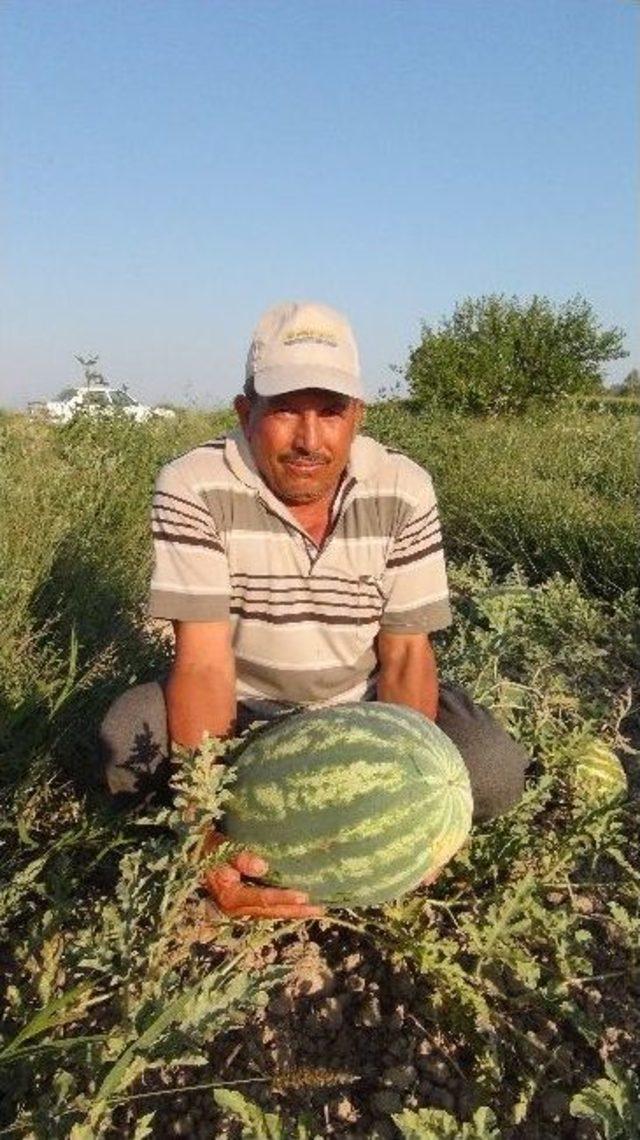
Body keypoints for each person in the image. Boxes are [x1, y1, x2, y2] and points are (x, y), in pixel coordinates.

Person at [100, 301, 529, 919]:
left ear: (357, 415)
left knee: (490, 772)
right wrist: (201, 827)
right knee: (127, 741)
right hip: (242, 704)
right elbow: (203, 664)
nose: (309, 440)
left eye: (330, 412)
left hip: (363, 699)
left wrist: (409, 805)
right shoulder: (193, 484)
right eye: (284, 411)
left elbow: (407, 653)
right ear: (246, 412)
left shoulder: (403, 487)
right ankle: (220, 837)